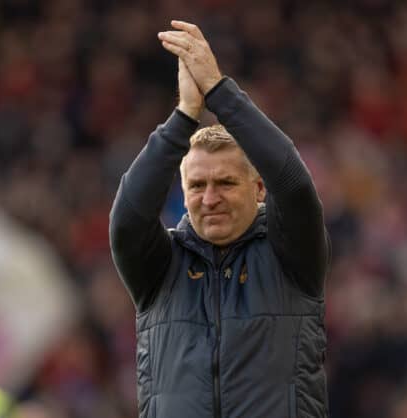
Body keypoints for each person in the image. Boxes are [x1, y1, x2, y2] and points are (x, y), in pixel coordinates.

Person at [110, 20, 330, 418]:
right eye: (197, 186)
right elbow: (128, 218)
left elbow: (294, 186)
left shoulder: (291, 255)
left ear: (259, 189)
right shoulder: (160, 268)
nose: (210, 198)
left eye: (226, 182)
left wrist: (218, 90)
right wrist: (184, 116)